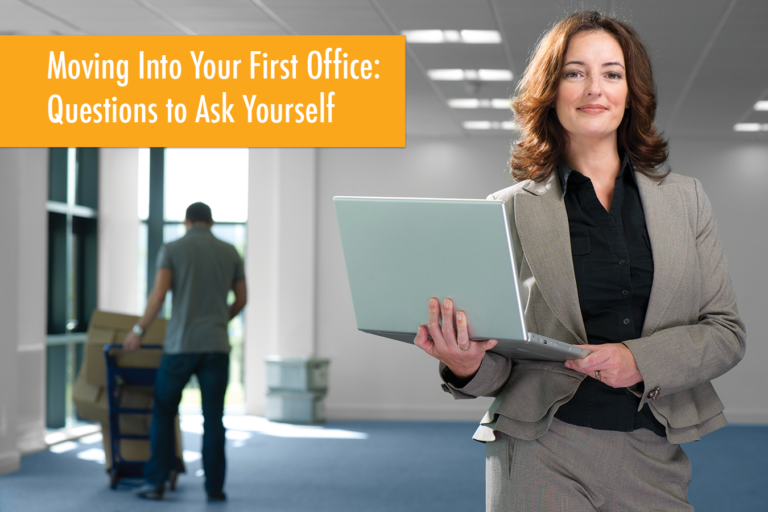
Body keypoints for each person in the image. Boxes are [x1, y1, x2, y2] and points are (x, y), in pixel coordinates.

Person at [414, 11, 745, 512]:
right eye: (575, 72)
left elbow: (725, 333)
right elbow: (500, 362)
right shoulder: (507, 208)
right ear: (552, 89)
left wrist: (638, 359)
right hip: (539, 447)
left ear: (631, 91)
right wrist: (465, 364)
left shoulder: (687, 200)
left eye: (612, 73)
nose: (595, 88)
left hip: (653, 449)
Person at [123, 202, 247, 502]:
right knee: (214, 418)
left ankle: (156, 483)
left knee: (164, 411)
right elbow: (242, 299)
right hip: (216, 346)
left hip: (180, 346)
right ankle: (215, 487)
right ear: (211, 222)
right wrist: (218, 321)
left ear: (186, 221)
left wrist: (138, 331)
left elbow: (159, 294)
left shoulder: (172, 249)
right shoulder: (230, 252)